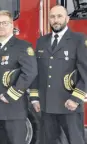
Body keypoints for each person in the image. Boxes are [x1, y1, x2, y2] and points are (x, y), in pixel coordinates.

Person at [30, 5, 87, 144]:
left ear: (67, 19)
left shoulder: (78, 39)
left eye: (60, 16)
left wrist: (76, 98)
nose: (56, 20)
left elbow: (85, 71)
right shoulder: (41, 41)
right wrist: (34, 98)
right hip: (47, 105)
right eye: (52, 17)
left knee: (75, 141)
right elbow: (36, 72)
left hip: (69, 104)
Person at [0, 10, 38, 144]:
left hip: (13, 108)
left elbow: (30, 73)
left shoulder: (22, 47)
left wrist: (11, 95)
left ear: (12, 25)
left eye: (5, 23)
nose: (1, 26)